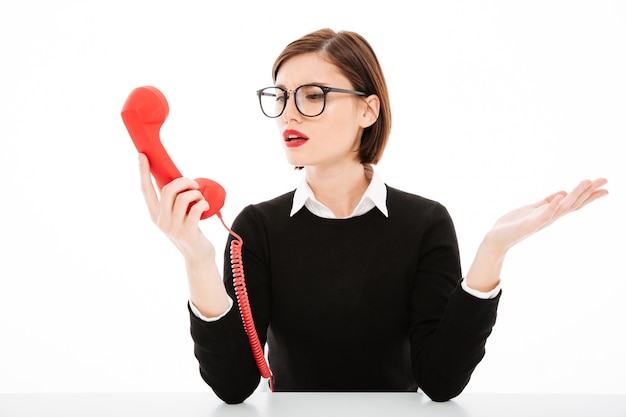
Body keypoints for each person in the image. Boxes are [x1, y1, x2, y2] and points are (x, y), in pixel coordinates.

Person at [137, 28, 608, 404]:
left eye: (313, 95)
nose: (288, 115)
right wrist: (196, 259)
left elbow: (441, 383)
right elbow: (234, 387)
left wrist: (493, 250)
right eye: (280, 97)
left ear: (368, 109)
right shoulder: (257, 227)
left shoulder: (425, 222)